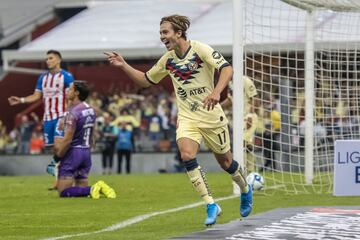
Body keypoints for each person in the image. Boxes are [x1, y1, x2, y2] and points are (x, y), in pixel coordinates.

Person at [105, 14, 252, 226]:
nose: (162, 37)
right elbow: (146, 80)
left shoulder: (200, 49)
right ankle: (211, 203)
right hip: (187, 117)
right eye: (160, 33)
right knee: (186, 155)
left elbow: (227, 68)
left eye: (165, 32)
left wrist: (217, 92)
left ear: (179, 33)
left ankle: (245, 189)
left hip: (211, 115)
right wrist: (124, 65)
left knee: (226, 163)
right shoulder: (168, 60)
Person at [8, 50, 74, 188]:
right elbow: (36, 96)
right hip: (48, 118)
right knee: (53, 150)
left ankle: (67, 176)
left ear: (58, 60)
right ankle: (58, 179)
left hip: (61, 116)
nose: (48, 61)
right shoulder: (43, 78)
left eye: (51, 58)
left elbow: (71, 97)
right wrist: (20, 100)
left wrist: (69, 114)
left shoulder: (67, 77)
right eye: (47, 58)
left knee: (58, 146)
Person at [53, 81, 116, 199]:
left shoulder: (73, 113)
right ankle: (95, 189)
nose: (67, 91)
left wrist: (58, 157)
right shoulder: (91, 110)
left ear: (76, 93)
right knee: (80, 192)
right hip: (86, 152)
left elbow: (67, 140)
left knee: (63, 191)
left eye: (70, 89)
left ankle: (94, 188)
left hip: (73, 153)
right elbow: (93, 134)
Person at [221, 76, 258, 172]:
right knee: (246, 145)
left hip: (249, 117)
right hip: (238, 119)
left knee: (243, 143)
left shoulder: (245, 80)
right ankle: (250, 171)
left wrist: (250, 115)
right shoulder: (230, 83)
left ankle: (246, 170)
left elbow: (254, 98)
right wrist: (218, 107)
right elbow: (230, 100)